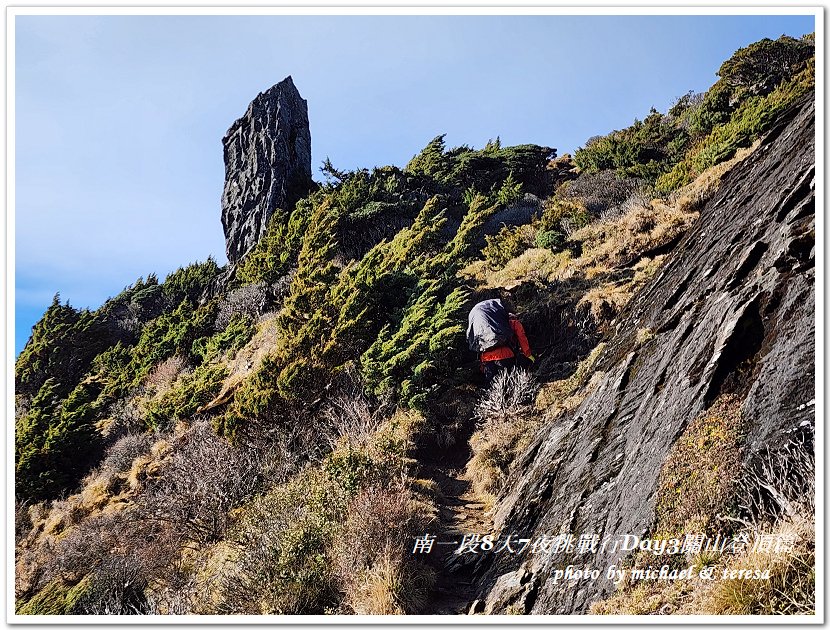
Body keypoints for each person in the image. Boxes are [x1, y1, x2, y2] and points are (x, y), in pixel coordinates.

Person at [466, 297, 535, 382]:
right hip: (505, 355)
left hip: (486, 359)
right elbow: (521, 336)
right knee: (510, 384)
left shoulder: (481, 324)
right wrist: (528, 354)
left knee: (492, 388)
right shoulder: (511, 322)